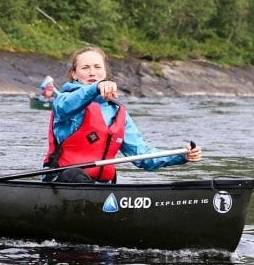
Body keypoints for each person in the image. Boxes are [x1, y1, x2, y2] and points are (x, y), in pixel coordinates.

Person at [43, 46, 201, 183]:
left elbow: (142, 156)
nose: (92, 73)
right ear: (74, 74)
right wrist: (96, 88)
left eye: (98, 67)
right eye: (85, 68)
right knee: (74, 174)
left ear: (104, 72)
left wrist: (182, 156)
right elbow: (65, 107)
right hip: (63, 182)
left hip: (100, 187)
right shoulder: (64, 101)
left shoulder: (117, 112)